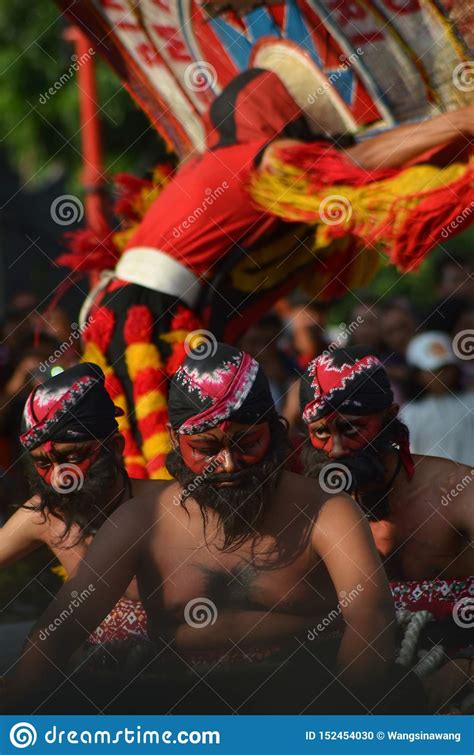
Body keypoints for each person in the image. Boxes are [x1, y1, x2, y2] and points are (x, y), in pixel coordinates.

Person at [64, 69, 474, 480]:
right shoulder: (255, 159)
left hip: (138, 311)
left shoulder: (214, 169)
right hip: (145, 317)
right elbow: (355, 164)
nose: (309, 129)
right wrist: (462, 121)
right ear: (274, 118)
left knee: (186, 454)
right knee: (183, 457)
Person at [8, 344, 400, 714]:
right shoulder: (140, 520)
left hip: (305, 688)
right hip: (175, 702)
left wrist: (333, 725)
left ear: (276, 431)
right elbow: (56, 637)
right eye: (207, 450)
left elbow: (372, 620)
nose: (228, 464)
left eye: (247, 442)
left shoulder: (328, 509)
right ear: (178, 444)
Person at [298, 347, 474, 711]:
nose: (336, 449)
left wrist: (467, 666)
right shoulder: (309, 507)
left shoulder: (458, 491)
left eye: (352, 427)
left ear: (390, 416)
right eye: (320, 432)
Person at [0, 363, 164, 644]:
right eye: (43, 463)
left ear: (115, 447)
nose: (60, 478)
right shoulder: (48, 515)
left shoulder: (170, 504)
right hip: (84, 681)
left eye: (73, 457)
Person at [401, 331, 474, 466]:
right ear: (417, 374)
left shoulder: (470, 403)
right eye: (435, 370)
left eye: (447, 368)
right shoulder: (410, 413)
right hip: (431, 485)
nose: (442, 375)